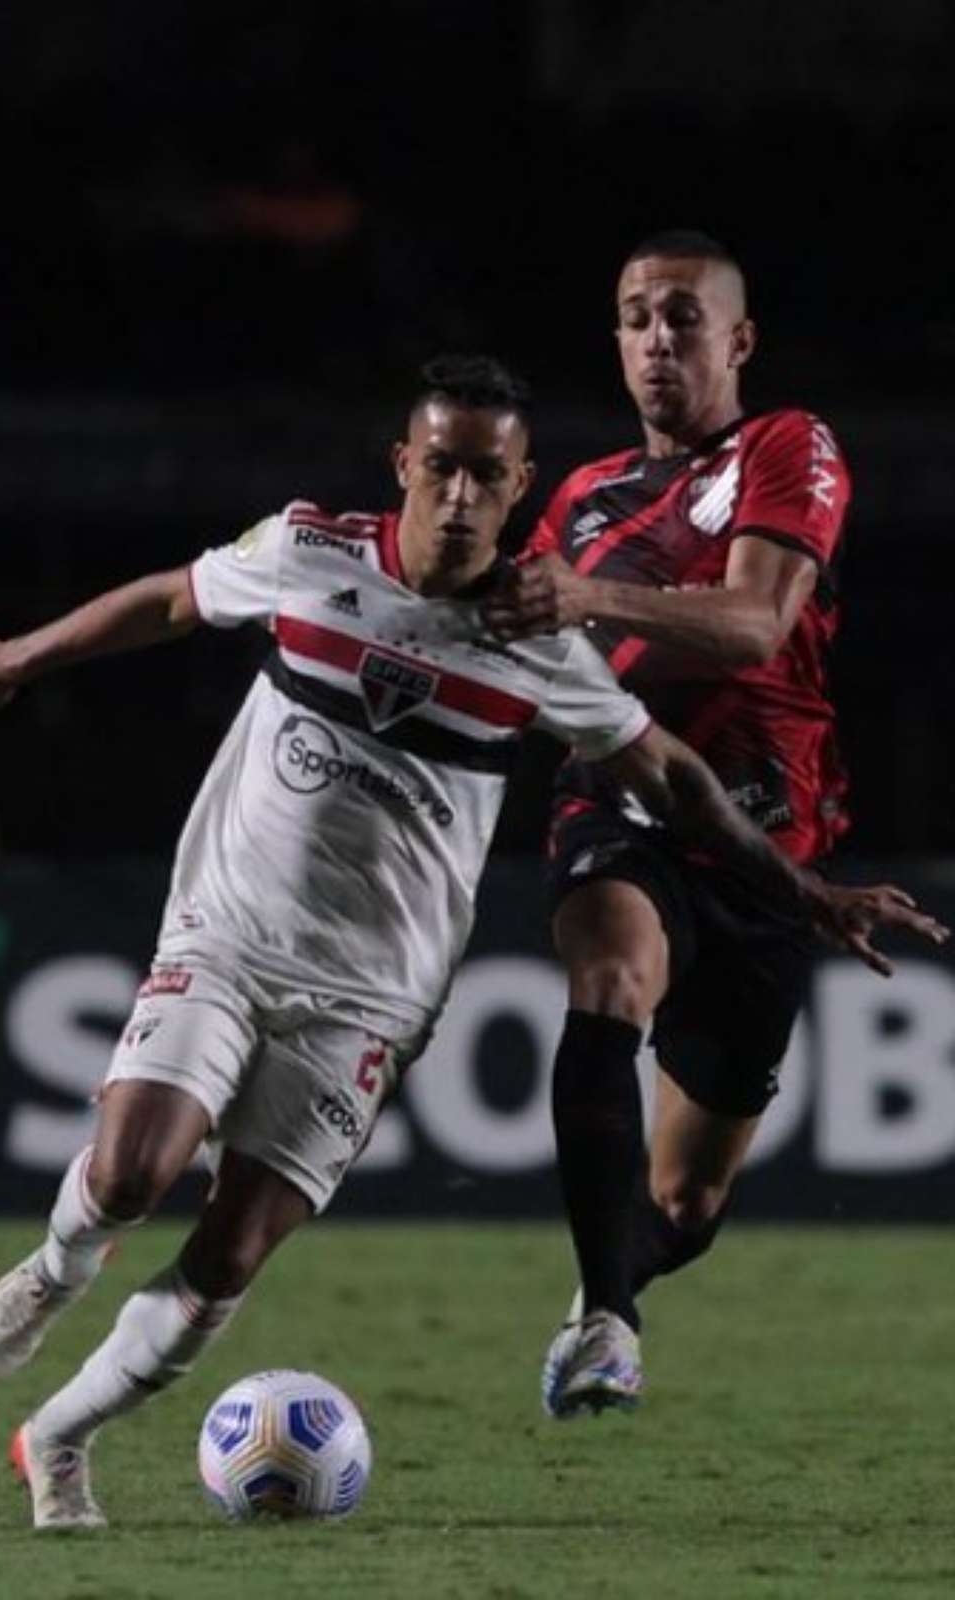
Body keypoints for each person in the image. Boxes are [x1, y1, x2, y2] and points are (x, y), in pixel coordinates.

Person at [0, 355, 941, 1530]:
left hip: (372, 998)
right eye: (441, 465)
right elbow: (168, 600)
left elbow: (681, 781)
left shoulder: (542, 648)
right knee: (129, 1172)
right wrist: (14, 658)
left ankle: (58, 1436)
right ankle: (57, 1266)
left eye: (486, 476)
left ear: (520, 491)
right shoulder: (309, 552)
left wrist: (808, 892)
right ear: (404, 462)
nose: (458, 494)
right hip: (232, 933)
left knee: (234, 1248)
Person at [483, 230, 913, 1420]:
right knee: (611, 978)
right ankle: (610, 1317)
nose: (656, 337)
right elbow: (506, 646)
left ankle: (608, 1293)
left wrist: (583, 593)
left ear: (739, 340)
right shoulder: (575, 496)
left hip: (765, 836)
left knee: (684, 1205)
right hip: (621, 794)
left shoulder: (790, 446)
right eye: (634, 316)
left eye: (682, 315)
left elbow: (755, 626)